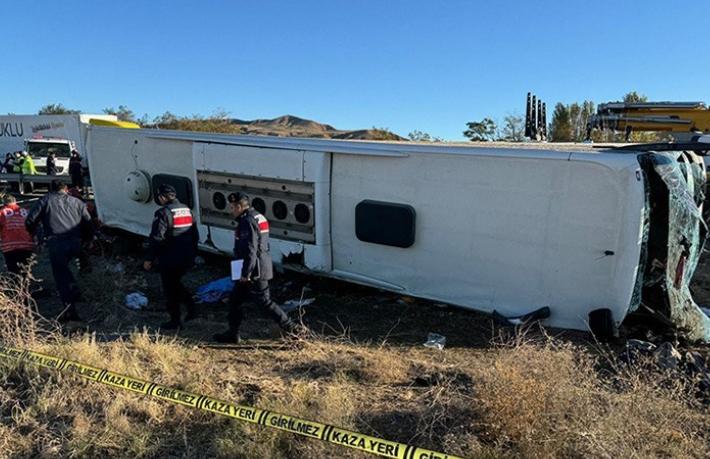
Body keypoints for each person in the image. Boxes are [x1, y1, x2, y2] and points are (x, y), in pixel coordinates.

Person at [213, 192, 296, 344]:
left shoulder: (247, 221)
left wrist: (246, 273)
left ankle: (294, 330)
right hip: (254, 266)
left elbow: (251, 249)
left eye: (232, 207)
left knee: (265, 302)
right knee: (235, 301)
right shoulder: (258, 215)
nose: (231, 211)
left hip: (254, 270)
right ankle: (233, 334)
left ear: (239, 206)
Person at [25, 180, 93, 322]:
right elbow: (88, 223)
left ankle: (70, 312)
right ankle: (76, 291)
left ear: (50, 189)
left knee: (61, 276)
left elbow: (30, 220)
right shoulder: (77, 202)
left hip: (56, 242)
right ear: (66, 188)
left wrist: (36, 234)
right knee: (73, 269)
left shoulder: (45, 200)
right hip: (75, 242)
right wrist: (87, 241)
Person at [143, 184, 199, 330]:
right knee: (175, 284)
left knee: (170, 289)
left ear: (162, 197)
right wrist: (193, 255)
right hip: (187, 256)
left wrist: (149, 258)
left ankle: (175, 320)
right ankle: (191, 307)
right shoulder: (187, 210)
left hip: (170, 257)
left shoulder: (163, 213)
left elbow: (156, 238)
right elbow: (195, 235)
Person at [0, 195, 35, 276]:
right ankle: (25, 285)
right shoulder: (25, 211)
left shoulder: (2, 212)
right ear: (15, 201)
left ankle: (16, 286)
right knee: (25, 269)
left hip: (9, 245)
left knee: (13, 270)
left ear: (4, 203)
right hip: (27, 244)